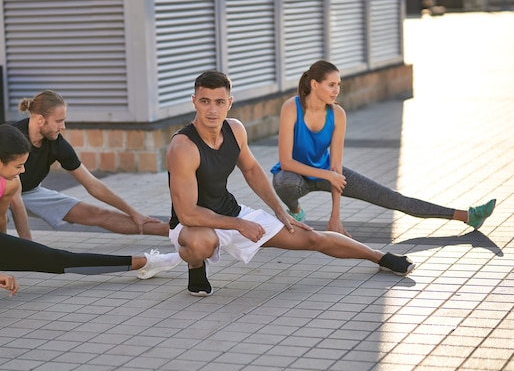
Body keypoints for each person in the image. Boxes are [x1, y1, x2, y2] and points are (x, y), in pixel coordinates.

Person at [166, 70, 415, 297]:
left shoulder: (235, 130)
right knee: (202, 244)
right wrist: (239, 224)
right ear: (194, 101)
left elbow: (252, 169)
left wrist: (278, 210)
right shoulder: (183, 147)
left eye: (219, 102)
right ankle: (195, 266)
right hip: (192, 226)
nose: (212, 110)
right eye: (204, 101)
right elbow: (188, 213)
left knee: (312, 238)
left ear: (229, 103)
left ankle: (380, 257)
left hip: (230, 213)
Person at [0, 124, 181, 317]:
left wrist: (20, 250)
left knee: (56, 257)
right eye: (18, 165)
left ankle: (145, 261)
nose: (23, 170)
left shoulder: (9, 182)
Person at [271, 60, 496, 237]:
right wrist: (327, 174)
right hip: (296, 175)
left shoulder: (337, 114)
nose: (336, 90)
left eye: (339, 85)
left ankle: (467, 216)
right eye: (331, 85)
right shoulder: (292, 108)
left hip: (328, 172)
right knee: (283, 181)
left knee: (393, 198)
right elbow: (287, 161)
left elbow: (336, 165)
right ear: (314, 84)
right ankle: (296, 210)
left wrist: (335, 216)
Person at [9, 90, 169, 237]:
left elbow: (93, 185)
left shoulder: (57, 144)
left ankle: (167, 230)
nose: (63, 127)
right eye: (58, 121)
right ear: (39, 119)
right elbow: (4, 192)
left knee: (97, 213)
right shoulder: (10, 136)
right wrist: (29, 248)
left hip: (31, 192)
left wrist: (133, 212)